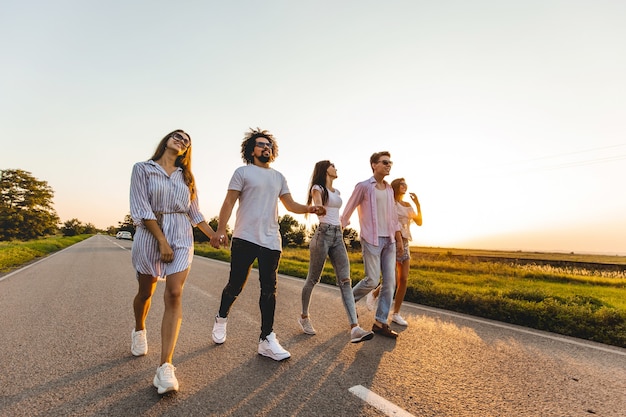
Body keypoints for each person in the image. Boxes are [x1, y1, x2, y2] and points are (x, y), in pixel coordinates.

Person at [209, 128, 325, 361]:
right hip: (244, 237)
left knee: (269, 289)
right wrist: (221, 230)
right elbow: (229, 202)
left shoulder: (278, 177)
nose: (266, 148)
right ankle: (221, 317)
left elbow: (290, 204)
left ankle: (266, 339)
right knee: (236, 285)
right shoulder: (242, 172)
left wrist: (310, 208)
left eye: (269, 146)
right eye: (261, 144)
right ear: (251, 150)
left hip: (271, 240)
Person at [130, 129, 218, 394]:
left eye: (186, 141)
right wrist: (161, 240)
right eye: (178, 136)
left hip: (181, 234)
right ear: (167, 140)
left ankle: (165, 367)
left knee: (175, 293)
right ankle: (139, 329)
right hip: (150, 233)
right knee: (146, 291)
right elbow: (141, 207)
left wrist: (213, 235)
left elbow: (194, 212)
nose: (182, 141)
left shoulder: (186, 176)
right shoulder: (143, 169)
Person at [298, 160, 374, 343]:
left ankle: (355, 328)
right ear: (325, 169)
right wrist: (318, 207)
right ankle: (304, 317)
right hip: (322, 235)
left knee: (346, 281)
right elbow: (317, 203)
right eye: (332, 165)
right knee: (313, 279)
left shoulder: (337, 192)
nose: (336, 167)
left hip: (338, 236)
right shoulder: (318, 188)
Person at [340, 151, 402, 339]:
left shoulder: (390, 189)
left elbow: (393, 217)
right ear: (374, 165)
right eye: (384, 162)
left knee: (390, 283)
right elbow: (348, 209)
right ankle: (350, 301)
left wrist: (398, 240)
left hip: (389, 240)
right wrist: (338, 231)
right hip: (372, 239)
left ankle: (380, 322)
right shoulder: (364, 187)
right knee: (372, 280)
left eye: (390, 162)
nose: (388, 165)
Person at [366, 178, 422, 326]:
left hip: (405, 242)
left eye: (406, 184)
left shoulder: (407, 205)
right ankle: (374, 293)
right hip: (392, 241)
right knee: (392, 278)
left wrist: (417, 204)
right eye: (402, 184)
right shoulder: (391, 203)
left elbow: (419, 221)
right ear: (396, 186)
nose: (405, 186)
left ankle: (396, 313)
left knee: (403, 278)